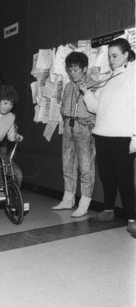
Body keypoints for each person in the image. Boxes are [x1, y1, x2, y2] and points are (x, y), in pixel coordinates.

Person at [80, 38, 136, 238]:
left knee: (125, 179)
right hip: (102, 134)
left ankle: (132, 219)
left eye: (114, 56)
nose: (111, 60)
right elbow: (96, 108)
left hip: (123, 136)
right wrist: (86, 93)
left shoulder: (133, 75)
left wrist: (135, 137)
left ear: (126, 55)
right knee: (107, 176)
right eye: (109, 56)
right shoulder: (111, 77)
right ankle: (108, 210)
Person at [52, 52, 96, 217]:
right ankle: (68, 198)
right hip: (68, 126)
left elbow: (97, 108)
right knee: (67, 164)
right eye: (70, 69)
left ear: (84, 69)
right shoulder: (68, 86)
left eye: (76, 69)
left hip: (85, 128)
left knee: (86, 167)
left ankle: (84, 202)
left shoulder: (93, 84)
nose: (72, 72)